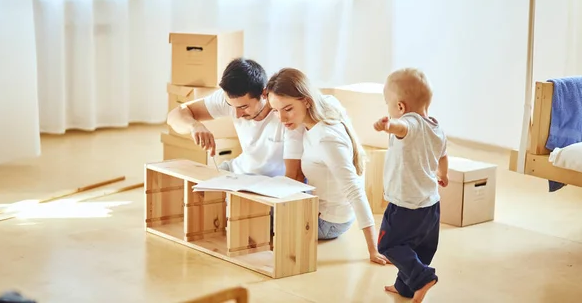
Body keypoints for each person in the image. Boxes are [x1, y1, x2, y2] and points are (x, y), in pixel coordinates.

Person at [266, 67, 389, 266]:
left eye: (287, 109)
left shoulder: (326, 139)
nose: (281, 119)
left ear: (306, 100)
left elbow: (354, 190)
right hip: (323, 210)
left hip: (330, 223)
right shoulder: (317, 118)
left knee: (260, 214)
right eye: (275, 111)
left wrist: (373, 250)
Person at [372, 67, 449, 302]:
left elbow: (403, 128)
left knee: (388, 244)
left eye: (388, 103)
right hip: (430, 205)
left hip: (405, 205)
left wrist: (388, 126)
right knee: (419, 249)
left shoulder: (409, 123)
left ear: (401, 107)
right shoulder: (437, 128)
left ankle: (422, 277)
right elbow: (443, 156)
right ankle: (406, 287)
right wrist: (442, 174)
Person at [167, 58, 302, 178]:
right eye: (231, 106)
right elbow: (175, 115)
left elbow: (293, 176)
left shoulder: (285, 114)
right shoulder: (231, 100)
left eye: (243, 107)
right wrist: (194, 126)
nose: (237, 114)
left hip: (271, 183)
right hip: (237, 172)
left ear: (264, 94)